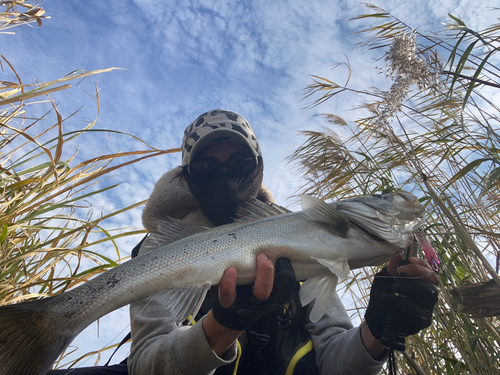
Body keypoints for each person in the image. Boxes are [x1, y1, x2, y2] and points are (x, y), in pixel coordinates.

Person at [48, 109, 439, 374]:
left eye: (239, 165)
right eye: (206, 168)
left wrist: (378, 329)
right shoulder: (161, 246)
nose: (225, 177)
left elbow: (336, 362)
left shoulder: (302, 237)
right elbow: (147, 363)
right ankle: (50, 322)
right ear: (188, 176)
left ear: (257, 169)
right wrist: (224, 324)